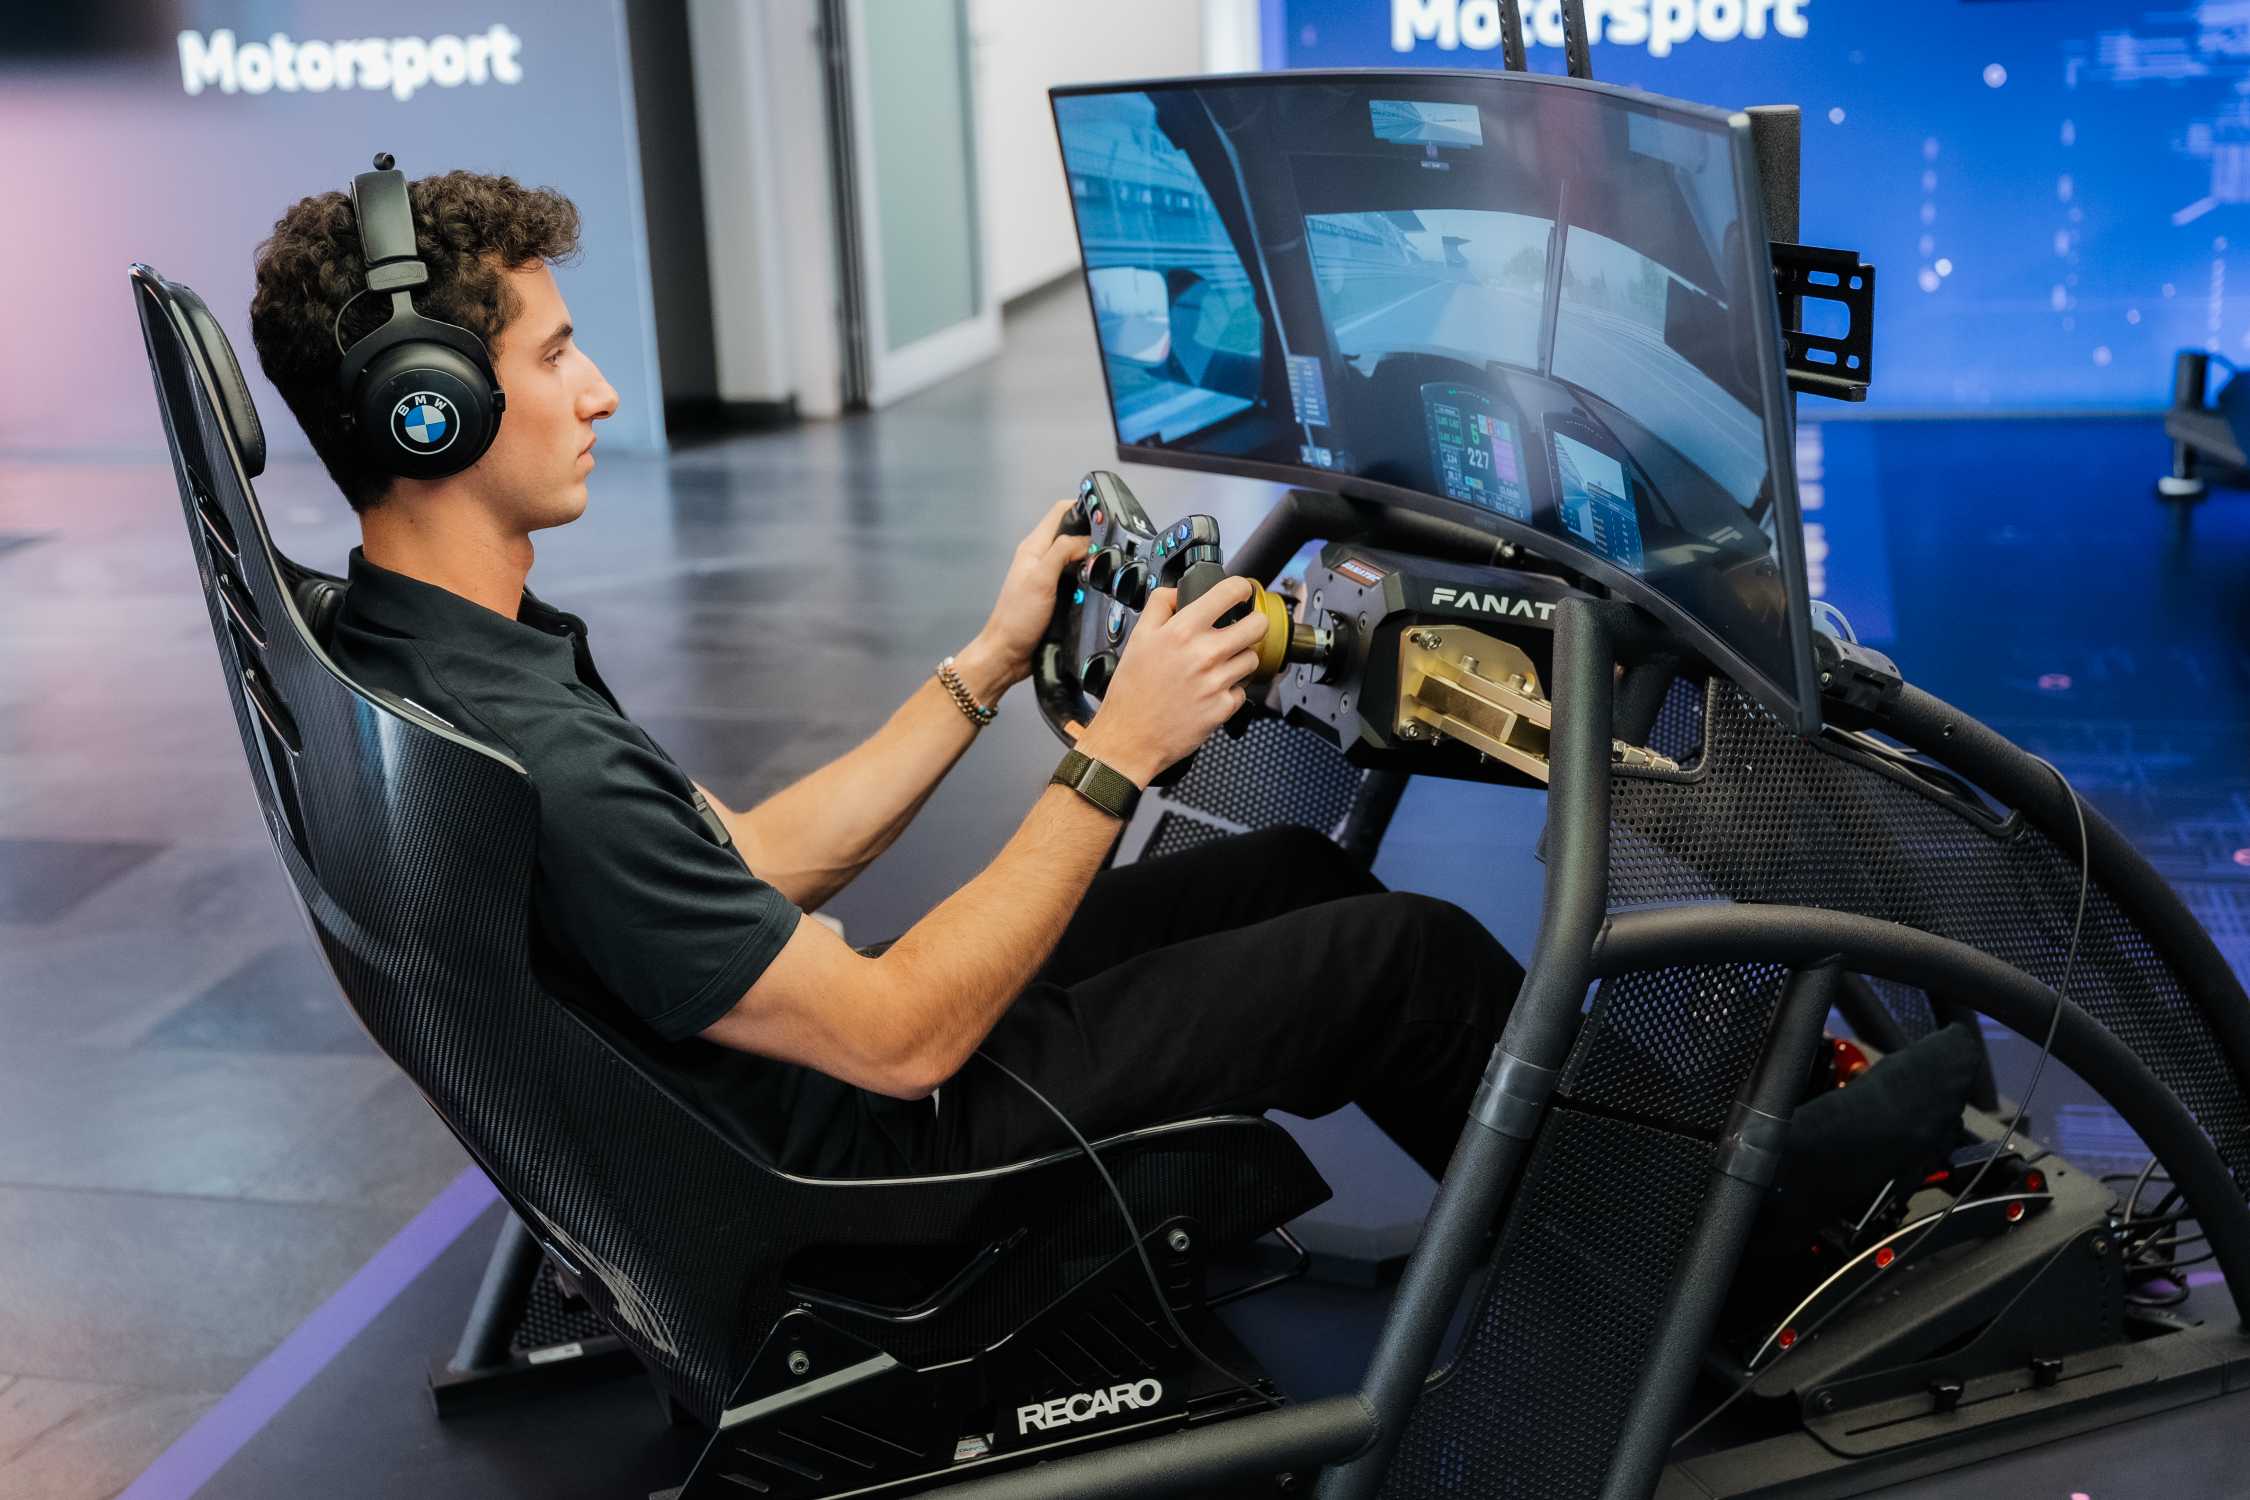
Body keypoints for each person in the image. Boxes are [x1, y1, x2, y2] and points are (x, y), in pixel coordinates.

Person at [247, 169, 1523, 1182]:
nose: (601, 393)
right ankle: (1641, 1309)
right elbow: (901, 1040)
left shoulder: (425, 645)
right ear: (429, 411)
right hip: (877, 1162)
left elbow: (749, 863)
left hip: (782, 1092)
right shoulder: (541, 751)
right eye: (553, 357)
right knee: (1411, 961)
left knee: (1288, 876)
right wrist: (1118, 751)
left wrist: (991, 661)